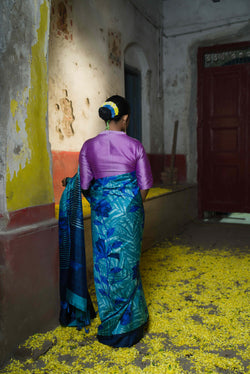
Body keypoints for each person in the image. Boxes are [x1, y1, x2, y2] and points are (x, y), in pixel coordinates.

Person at [79, 95, 153, 347]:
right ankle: (132, 324)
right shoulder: (135, 146)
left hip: (102, 215)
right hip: (130, 214)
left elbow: (85, 185)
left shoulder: (88, 146)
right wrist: (129, 206)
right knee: (128, 267)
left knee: (105, 267)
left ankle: (111, 325)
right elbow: (144, 186)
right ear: (125, 119)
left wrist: (105, 204)